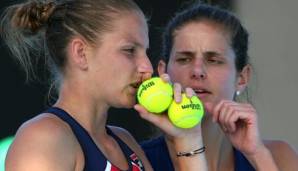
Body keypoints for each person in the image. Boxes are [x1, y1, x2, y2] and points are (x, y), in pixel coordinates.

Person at [1, 0, 208, 170]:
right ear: (81, 53)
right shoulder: (43, 139)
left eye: (145, 51)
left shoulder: (125, 141)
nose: (147, 67)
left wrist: (188, 139)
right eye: (129, 50)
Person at [139, 3, 298, 171]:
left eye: (214, 60)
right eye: (184, 59)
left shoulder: (279, 156)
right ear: (163, 72)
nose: (197, 71)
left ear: (242, 78)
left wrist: (258, 155)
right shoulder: (138, 161)